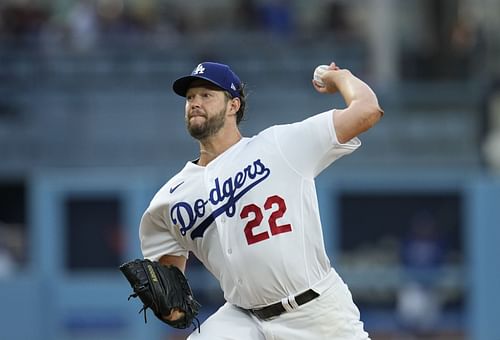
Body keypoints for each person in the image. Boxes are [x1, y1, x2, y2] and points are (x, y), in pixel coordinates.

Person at [139, 61, 383, 339]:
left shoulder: (279, 145)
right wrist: (170, 310)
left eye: (206, 95)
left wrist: (341, 77)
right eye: (190, 97)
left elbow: (367, 110)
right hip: (243, 319)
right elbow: (171, 288)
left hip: (315, 311)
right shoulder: (170, 199)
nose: (195, 102)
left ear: (234, 105)